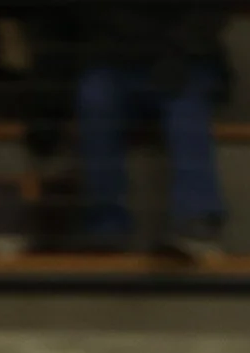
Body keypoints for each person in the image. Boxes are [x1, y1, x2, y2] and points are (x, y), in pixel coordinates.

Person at [74, 3, 231, 259]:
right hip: (115, 59)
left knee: (185, 103)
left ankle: (195, 223)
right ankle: (105, 228)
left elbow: (210, 11)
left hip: (186, 57)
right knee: (95, 97)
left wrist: (179, 49)